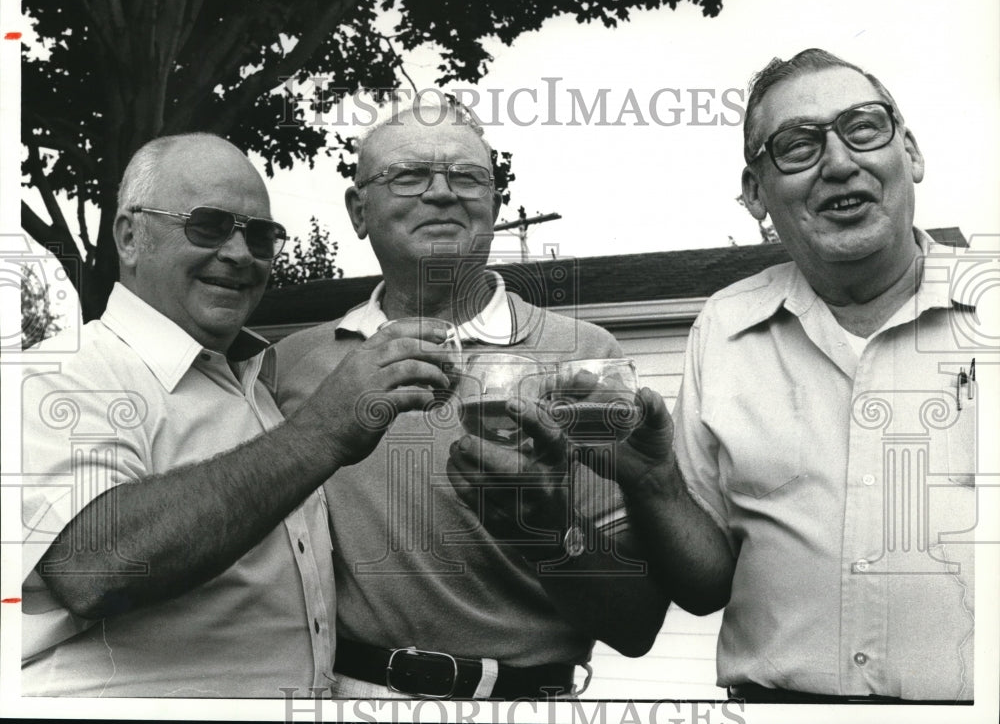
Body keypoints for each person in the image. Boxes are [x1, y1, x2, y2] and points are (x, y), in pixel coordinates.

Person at [571, 48, 977, 702]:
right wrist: (651, 480)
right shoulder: (723, 329)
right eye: (796, 144)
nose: (840, 162)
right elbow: (705, 586)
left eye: (864, 128)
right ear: (756, 193)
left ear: (912, 152)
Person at [20, 133, 455, 696]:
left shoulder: (260, 382)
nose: (238, 254)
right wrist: (323, 431)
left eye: (259, 235)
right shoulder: (58, 375)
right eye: (207, 225)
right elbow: (91, 566)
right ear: (130, 236)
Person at [273, 99, 668, 700]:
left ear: (495, 203)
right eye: (408, 176)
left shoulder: (585, 356)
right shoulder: (294, 367)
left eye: (467, 176)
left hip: (528, 704)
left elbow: (636, 623)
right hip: (354, 698)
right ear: (359, 211)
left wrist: (550, 529)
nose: (441, 193)